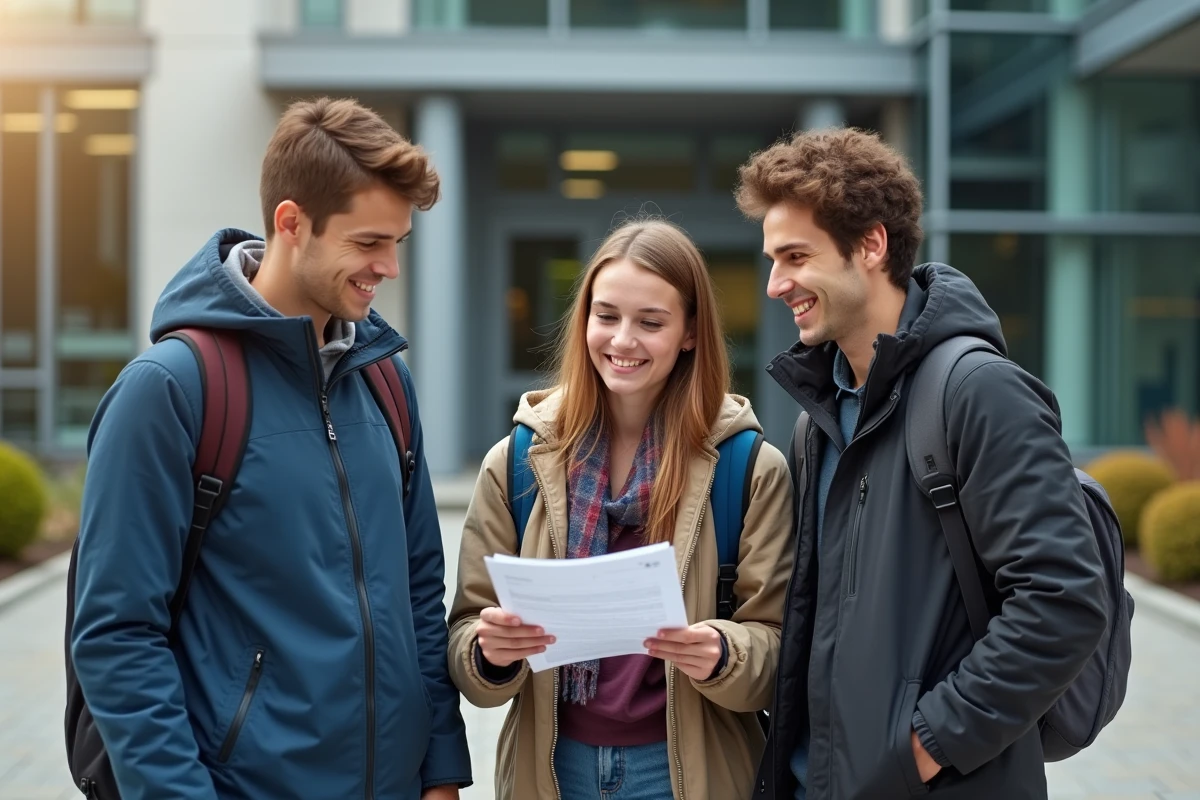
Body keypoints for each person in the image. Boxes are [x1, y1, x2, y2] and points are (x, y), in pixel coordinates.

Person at [70, 97, 471, 799]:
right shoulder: (170, 391)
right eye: (368, 242)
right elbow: (117, 636)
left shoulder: (385, 382)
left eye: (398, 244)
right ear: (292, 223)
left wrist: (440, 768)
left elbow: (415, 592)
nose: (389, 268)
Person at [736, 128, 1109, 799]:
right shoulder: (814, 420)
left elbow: (1064, 601)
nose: (775, 284)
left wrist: (924, 750)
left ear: (872, 245)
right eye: (772, 259)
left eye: (795, 256)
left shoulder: (978, 392)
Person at [446, 219, 794, 800]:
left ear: (689, 333)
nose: (622, 341)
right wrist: (489, 653)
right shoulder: (517, 461)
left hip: (691, 774)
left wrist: (722, 653)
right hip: (553, 771)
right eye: (606, 316)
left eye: (651, 323)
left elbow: (780, 649)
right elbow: (465, 637)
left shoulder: (748, 468)